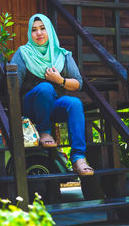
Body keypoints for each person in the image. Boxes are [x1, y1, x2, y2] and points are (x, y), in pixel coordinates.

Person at [10, 13, 94, 176]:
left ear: (50, 31)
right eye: (34, 30)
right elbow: (14, 87)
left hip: (53, 105)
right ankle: (44, 132)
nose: (39, 33)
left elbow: (78, 83)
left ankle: (78, 158)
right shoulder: (23, 53)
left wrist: (60, 80)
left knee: (75, 103)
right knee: (45, 88)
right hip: (31, 106)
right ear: (30, 33)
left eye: (43, 28)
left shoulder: (62, 55)